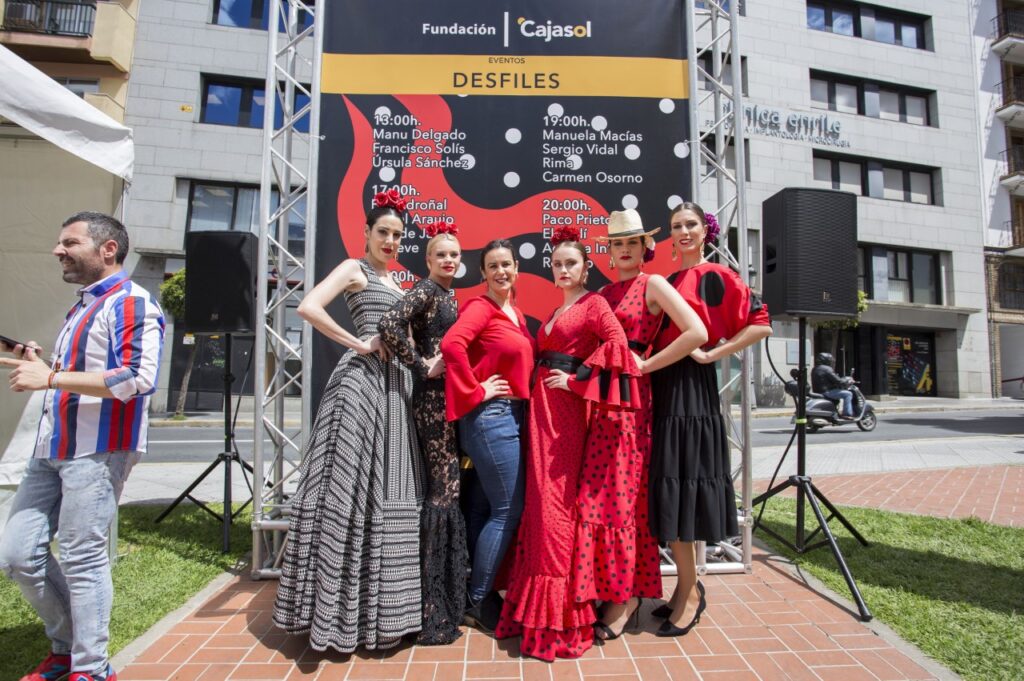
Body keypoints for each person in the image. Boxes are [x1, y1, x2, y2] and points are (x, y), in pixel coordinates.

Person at [0, 211, 165, 681]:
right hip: (52, 447)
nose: (58, 251)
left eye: (69, 242)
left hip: (99, 449)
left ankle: (88, 668)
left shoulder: (131, 301)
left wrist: (49, 377)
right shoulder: (83, 306)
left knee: (81, 556)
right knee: (16, 555)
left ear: (107, 249)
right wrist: (41, 363)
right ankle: (69, 648)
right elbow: (83, 374)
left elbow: (137, 378)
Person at [273, 190, 423, 652]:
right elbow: (308, 307)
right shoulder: (353, 269)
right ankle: (336, 615)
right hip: (360, 388)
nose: (391, 241)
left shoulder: (401, 282)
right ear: (367, 233)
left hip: (397, 392)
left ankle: (385, 615)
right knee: (349, 491)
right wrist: (359, 344)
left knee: (390, 491)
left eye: (398, 235)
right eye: (384, 232)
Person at [494, 227, 642, 661]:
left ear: (584, 268)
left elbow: (618, 346)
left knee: (556, 507)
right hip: (540, 412)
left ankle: (561, 618)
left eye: (571, 263)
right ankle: (535, 611)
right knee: (540, 506)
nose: (563, 269)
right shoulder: (557, 309)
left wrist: (579, 381)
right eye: (557, 263)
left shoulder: (594, 303)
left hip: (566, 417)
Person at [649, 202, 772, 637]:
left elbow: (761, 324)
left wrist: (713, 354)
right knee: (671, 487)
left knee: (685, 485)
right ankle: (685, 587)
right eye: (676, 226)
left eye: (690, 225)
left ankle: (690, 591)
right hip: (660, 385)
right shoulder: (665, 279)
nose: (682, 232)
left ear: (706, 230)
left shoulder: (718, 276)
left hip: (692, 390)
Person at [583, 210, 708, 641]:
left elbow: (696, 331)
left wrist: (646, 364)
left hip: (635, 407)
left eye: (631, 243)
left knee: (625, 503)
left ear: (644, 248)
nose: (623, 250)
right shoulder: (601, 292)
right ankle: (612, 588)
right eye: (617, 244)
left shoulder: (653, 284)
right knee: (601, 502)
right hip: (601, 408)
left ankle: (628, 596)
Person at [378, 221, 467, 645]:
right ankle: (432, 609)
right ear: (428, 260)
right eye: (441, 254)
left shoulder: (447, 294)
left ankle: (444, 599)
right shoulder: (427, 290)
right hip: (431, 400)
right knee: (442, 494)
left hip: (447, 400)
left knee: (447, 491)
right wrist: (420, 364)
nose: (449, 260)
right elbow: (389, 323)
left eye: (454, 254)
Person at [439, 239, 534, 633]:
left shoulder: (516, 313)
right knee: (508, 510)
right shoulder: (481, 307)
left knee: (480, 508)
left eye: (506, 265)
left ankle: (476, 590)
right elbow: (451, 345)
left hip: (508, 417)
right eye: (492, 266)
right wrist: (477, 390)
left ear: (516, 268)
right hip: (490, 419)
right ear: (482, 273)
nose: (500, 272)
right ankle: (478, 598)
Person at [812, 352, 854, 418]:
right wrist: (846, 381)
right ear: (825, 360)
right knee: (848, 394)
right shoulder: (827, 369)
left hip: (818, 391)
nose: (830, 361)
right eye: (829, 360)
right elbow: (838, 380)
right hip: (827, 392)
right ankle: (847, 414)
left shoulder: (815, 368)